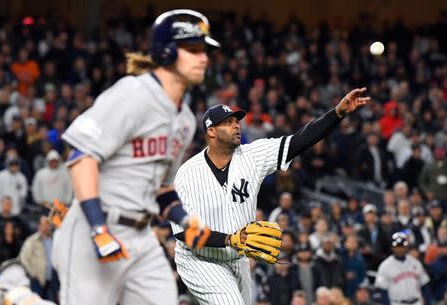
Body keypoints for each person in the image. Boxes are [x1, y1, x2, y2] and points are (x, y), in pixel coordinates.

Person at [51, 9, 219, 305]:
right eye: (193, 50)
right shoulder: (134, 94)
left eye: (204, 50)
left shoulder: (185, 120)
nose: (203, 58)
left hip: (142, 237)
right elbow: (81, 157)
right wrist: (98, 229)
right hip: (96, 230)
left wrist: (185, 219)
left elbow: (162, 188)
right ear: (166, 52)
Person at [171, 87, 370, 304]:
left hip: (238, 258)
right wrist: (229, 239)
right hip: (199, 259)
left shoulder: (252, 156)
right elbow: (183, 232)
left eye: (237, 121)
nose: (236, 125)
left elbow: (298, 141)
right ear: (211, 131)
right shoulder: (189, 173)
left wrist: (337, 113)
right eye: (228, 122)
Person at [375, 232, 432, 305]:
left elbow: (424, 286)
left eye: (402, 246)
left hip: (416, 302)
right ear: (392, 247)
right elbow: (383, 291)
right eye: (397, 246)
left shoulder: (416, 263)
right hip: (397, 303)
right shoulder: (384, 266)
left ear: (407, 247)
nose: (400, 249)